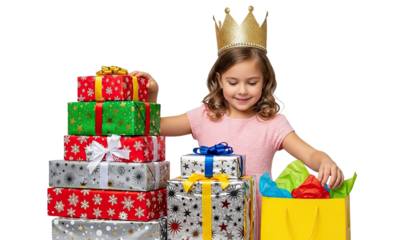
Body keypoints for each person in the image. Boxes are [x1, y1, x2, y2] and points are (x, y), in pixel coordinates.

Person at [127, 5, 345, 240]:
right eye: (233, 82)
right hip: (205, 222)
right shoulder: (204, 115)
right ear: (219, 79)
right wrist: (151, 97)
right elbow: (153, 127)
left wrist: (325, 160)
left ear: (265, 81)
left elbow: (309, 154)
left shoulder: (272, 122)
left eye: (252, 82)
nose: (242, 91)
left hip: (258, 226)